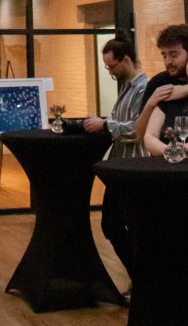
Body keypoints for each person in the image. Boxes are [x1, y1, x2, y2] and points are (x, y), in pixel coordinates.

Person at [83, 33, 147, 287]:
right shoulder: (127, 87)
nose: (110, 71)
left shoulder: (143, 89)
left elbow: (137, 128)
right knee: (112, 224)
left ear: (127, 60)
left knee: (119, 225)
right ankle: (140, 280)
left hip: (133, 167)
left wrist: (105, 124)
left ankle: (143, 281)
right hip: (122, 166)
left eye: (112, 66)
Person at [142, 24, 188, 156]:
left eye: (173, 55)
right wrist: (169, 150)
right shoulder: (162, 84)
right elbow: (147, 136)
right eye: (164, 56)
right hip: (169, 166)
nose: (168, 61)